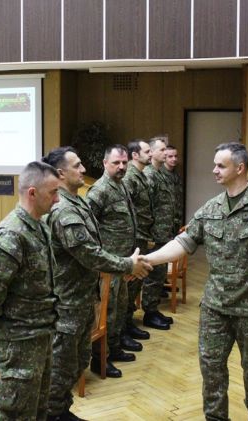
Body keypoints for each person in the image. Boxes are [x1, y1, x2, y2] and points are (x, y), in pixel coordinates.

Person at [145, 142, 248, 421]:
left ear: (240, 168)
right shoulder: (211, 208)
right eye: (215, 165)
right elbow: (183, 242)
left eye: (221, 165)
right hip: (215, 306)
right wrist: (148, 259)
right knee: (211, 366)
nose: (214, 170)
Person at [43, 146, 152, 421]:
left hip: (81, 298)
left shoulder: (76, 201)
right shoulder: (63, 209)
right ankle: (53, 415)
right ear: (60, 173)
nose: (83, 169)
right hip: (66, 302)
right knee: (61, 368)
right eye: (77, 165)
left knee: (77, 362)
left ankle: (62, 411)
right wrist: (127, 265)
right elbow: (89, 253)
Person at [0, 161, 61, 421]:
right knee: (16, 415)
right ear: (32, 193)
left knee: (38, 411)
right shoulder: (11, 235)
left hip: (41, 335)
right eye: (53, 192)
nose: (58, 199)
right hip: (19, 342)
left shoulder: (40, 226)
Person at [85, 144, 138, 375]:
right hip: (108, 264)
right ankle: (100, 359)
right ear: (105, 163)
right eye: (116, 162)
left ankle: (114, 348)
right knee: (107, 312)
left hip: (122, 262)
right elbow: (89, 227)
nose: (121, 166)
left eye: (124, 162)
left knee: (119, 308)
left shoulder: (121, 185)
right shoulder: (100, 190)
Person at [141, 136, 176, 330]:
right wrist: (149, 236)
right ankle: (149, 312)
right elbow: (147, 208)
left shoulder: (161, 174)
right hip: (154, 235)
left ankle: (153, 309)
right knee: (152, 275)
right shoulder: (149, 175)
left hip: (164, 233)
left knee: (160, 274)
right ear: (152, 152)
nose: (165, 152)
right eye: (162, 150)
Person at [121, 139, 154, 343]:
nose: (150, 154)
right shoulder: (129, 177)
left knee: (136, 284)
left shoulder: (140, 175)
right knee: (129, 286)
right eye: (147, 151)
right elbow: (128, 210)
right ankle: (122, 329)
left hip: (142, 236)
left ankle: (128, 322)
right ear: (135, 155)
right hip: (134, 238)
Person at [162, 145, 184, 230]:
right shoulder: (159, 174)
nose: (174, 159)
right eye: (170, 156)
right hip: (162, 220)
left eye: (176, 156)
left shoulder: (176, 175)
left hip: (176, 219)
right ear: (164, 158)